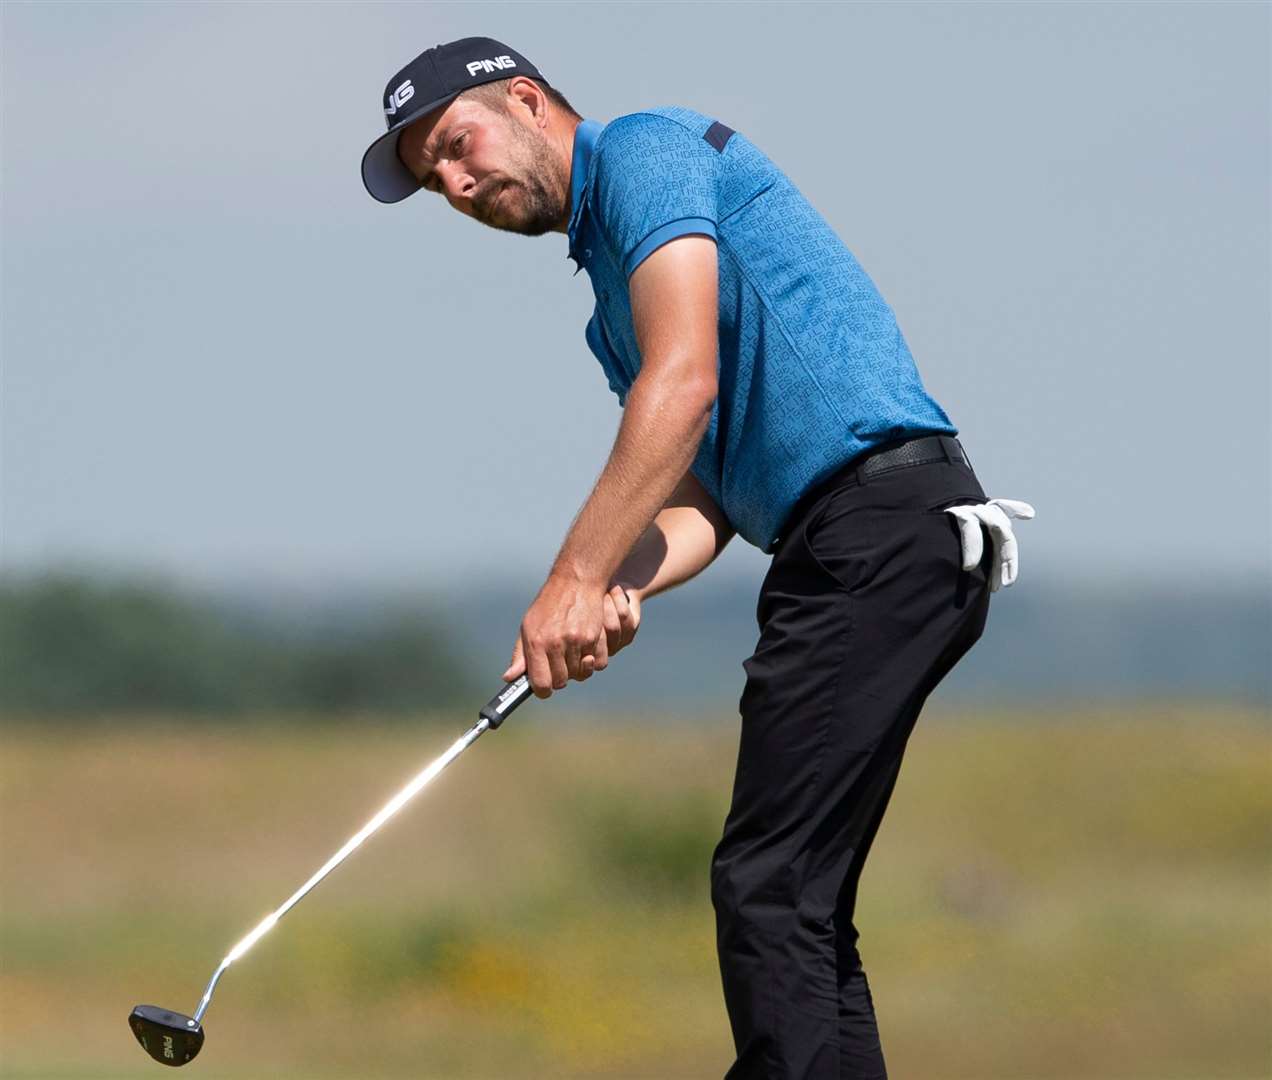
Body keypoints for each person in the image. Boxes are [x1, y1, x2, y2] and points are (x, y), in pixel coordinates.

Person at [361, 37, 1034, 1080]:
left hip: (878, 524)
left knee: (766, 890)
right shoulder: (607, 314)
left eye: (455, 144)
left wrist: (571, 581)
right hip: (850, 543)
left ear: (529, 102)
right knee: (800, 906)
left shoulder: (643, 152)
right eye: (430, 178)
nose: (453, 182)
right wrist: (618, 583)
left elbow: (682, 388)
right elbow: (707, 500)